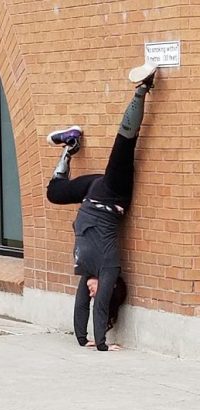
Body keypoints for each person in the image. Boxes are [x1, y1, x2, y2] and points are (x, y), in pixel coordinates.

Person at [46, 63, 157, 352]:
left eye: (91, 291)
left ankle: (70, 146)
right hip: (113, 195)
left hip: (91, 193)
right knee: (123, 146)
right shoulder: (108, 267)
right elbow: (99, 305)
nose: (92, 292)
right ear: (110, 285)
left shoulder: (86, 270)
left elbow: (81, 305)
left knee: (55, 193)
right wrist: (102, 345)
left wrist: (82, 339)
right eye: (97, 292)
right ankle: (143, 88)